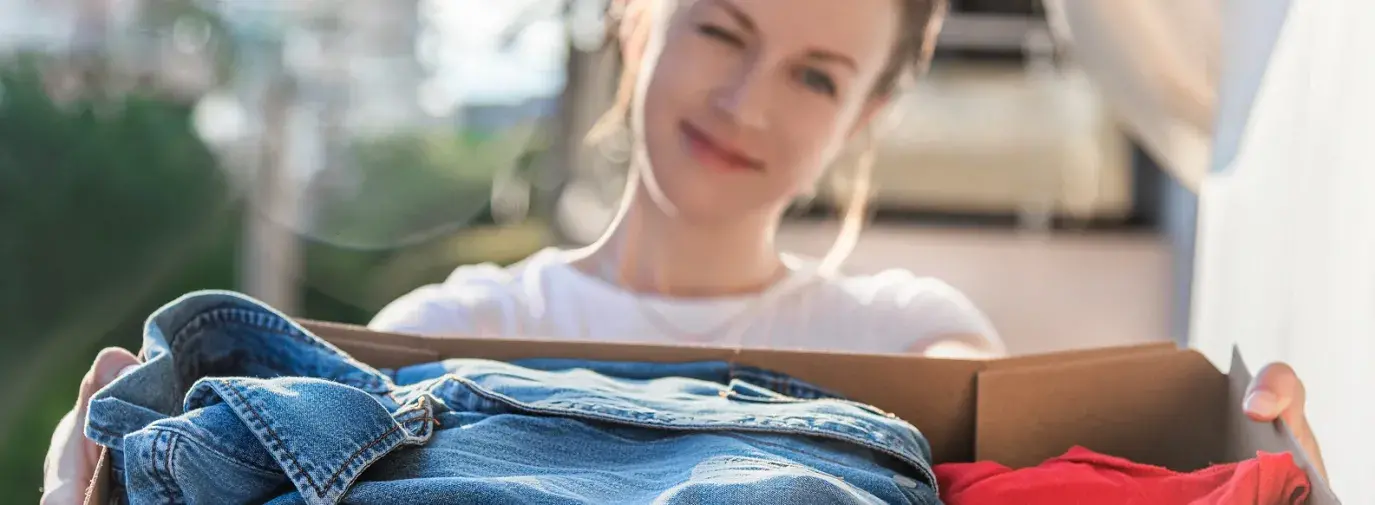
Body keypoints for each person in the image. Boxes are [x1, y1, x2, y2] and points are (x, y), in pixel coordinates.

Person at [40, 0, 1326, 502]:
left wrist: (1256, 461)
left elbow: (1045, 467)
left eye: (818, 77)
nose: (748, 104)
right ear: (631, 15)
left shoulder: (907, 335)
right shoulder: (456, 323)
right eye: (722, 28)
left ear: (866, 116)